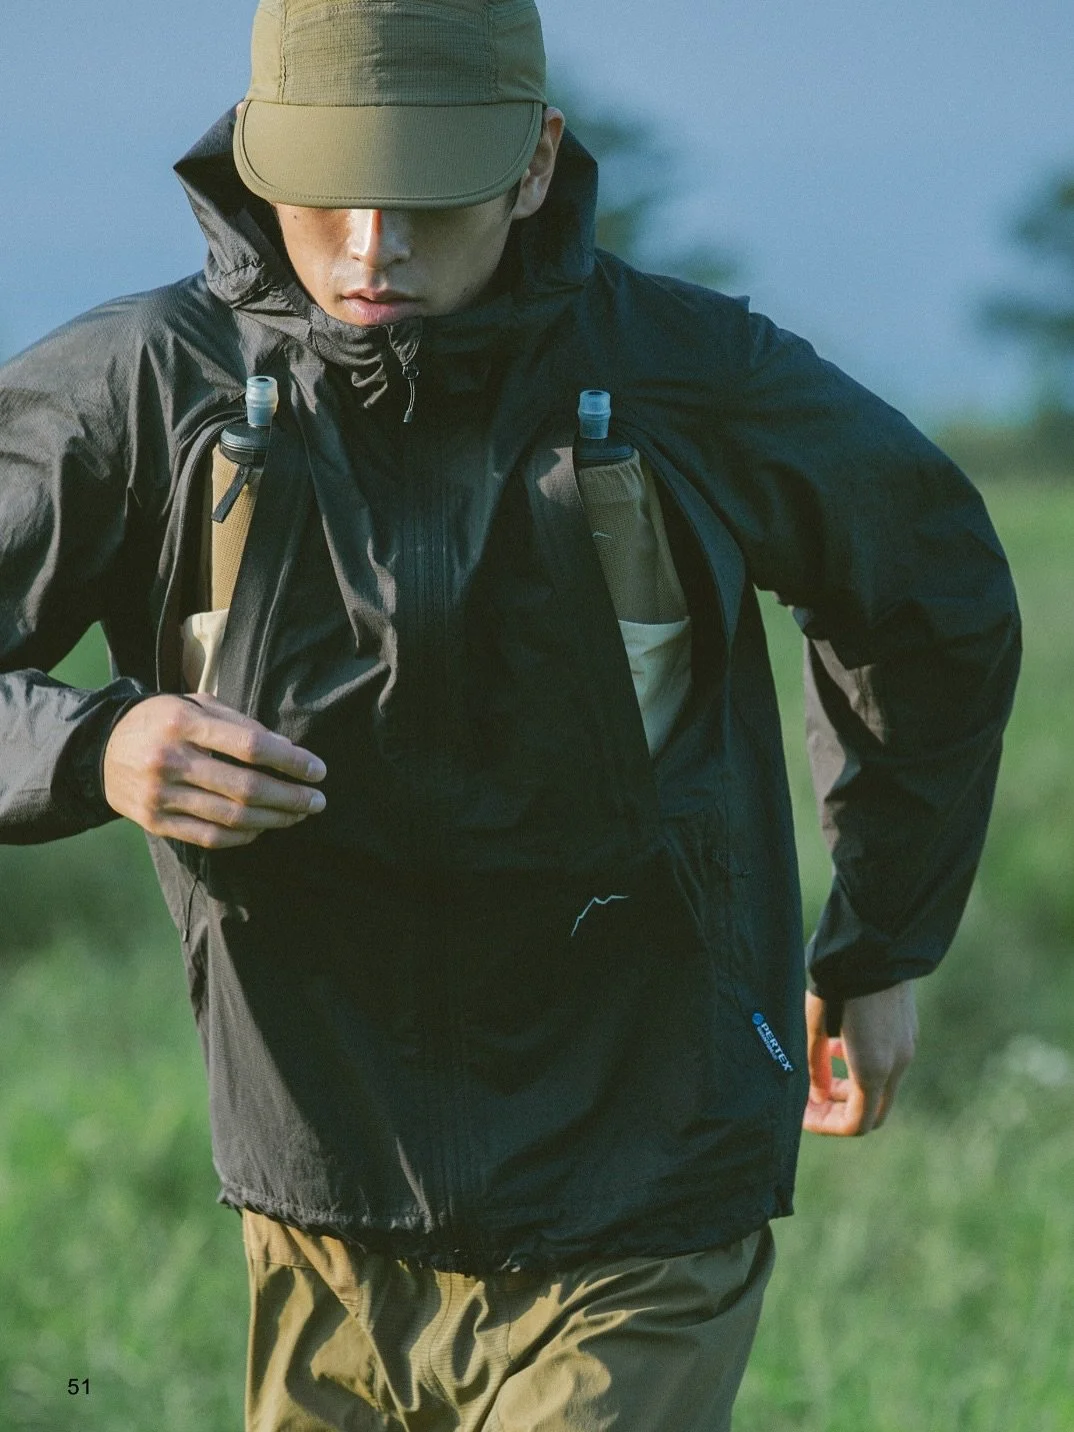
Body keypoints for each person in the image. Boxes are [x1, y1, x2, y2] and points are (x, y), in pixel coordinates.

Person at [0, 0, 1020, 1427]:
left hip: (647, 1186)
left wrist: (879, 940)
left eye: (426, 198)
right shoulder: (140, 389)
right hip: (317, 1197)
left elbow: (935, 601)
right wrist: (96, 747)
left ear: (534, 163)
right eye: (327, 194)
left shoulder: (696, 380)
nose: (373, 249)